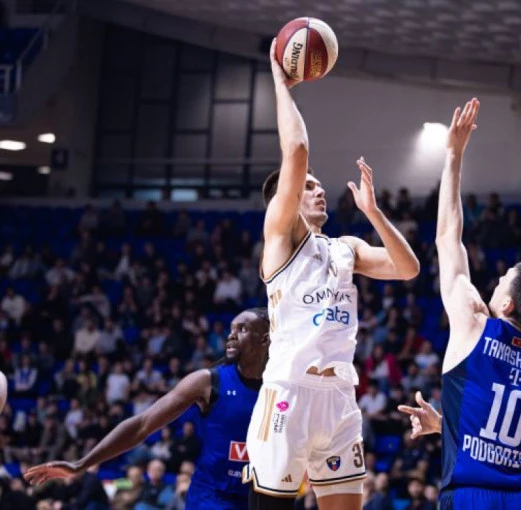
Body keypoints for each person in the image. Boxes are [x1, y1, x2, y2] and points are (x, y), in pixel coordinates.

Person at [244, 40, 419, 510]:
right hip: (289, 391)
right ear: (283, 200)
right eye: (307, 187)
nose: (318, 191)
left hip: (339, 396)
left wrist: (374, 212)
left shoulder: (346, 248)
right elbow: (297, 150)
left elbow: (408, 268)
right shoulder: (280, 239)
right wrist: (281, 81)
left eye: (320, 186)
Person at [401, 98, 521, 509]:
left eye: (503, 279)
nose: (495, 281)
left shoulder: (473, 324)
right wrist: (447, 426)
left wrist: (453, 155)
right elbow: (505, 427)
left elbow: (447, 238)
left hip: (470, 494)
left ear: (507, 304)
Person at [24, 308, 270, 509]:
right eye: (231, 329)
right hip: (212, 497)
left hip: (262, 497)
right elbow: (143, 424)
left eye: (242, 329)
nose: (231, 335)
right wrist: (82, 464)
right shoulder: (208, 381)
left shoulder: (283, 388)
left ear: (265, 339)